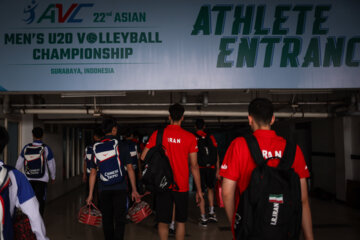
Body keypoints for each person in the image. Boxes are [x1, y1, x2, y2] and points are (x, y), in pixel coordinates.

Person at [220, 98, 314, 240]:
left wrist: (237, 226)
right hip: (284, 230)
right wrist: (309, 237)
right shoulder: (293, 150)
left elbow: (227, 193)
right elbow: (303, 199)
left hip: (251, 231)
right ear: (273, 119)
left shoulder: (239, 145)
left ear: (250, 119)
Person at [141, 103, 204, 240]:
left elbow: (143, 156)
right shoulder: (190, 137)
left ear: (169, 116)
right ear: (182, 118)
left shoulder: (158, 135)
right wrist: (199, 190)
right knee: (180, 222)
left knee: (163, 221)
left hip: (162, 184)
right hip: (181, 186)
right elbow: (194, 166)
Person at [86, 118, 140, 240]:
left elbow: (93, 173)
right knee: (120, 219)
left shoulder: (96, 147)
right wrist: (134, 189)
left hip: (103, 189)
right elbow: (130, 169)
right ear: (114, 129)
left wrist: (90, 194)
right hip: (120, 188)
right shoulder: (122, 145)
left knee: (107, 219)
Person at [0, 126, 49, 240]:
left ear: (33, 135)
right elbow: (33, 214)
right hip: (40, 180)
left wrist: (18, 170)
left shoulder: (27, 148)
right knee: (39, 202)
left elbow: (20, 161)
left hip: (28, 177)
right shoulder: (14, 175)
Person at [15, 127, 56, 216]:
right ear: (42, 135)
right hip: (42, 180)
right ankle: (39, 219)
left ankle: (29, 220)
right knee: (40, 200)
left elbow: (19, 163)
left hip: (28, 179)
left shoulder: (27, 147)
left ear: (33, 135)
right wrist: (53, 176)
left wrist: (16, 175)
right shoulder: (46, 148)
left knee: (29, 200)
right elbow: (51, 164)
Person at [194, 118, 220, 226]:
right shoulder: (211, 137)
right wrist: (218, 170)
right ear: (204, 126)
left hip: (200, 168)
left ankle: (203, 218)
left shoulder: (193, 138)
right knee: (210, 189)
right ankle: (212, 213)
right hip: (211, 167)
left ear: (195, 127)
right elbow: (216, 153)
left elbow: (192, 156)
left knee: (200, 192)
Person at [82, 127, 103, 203]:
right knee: (99, 193)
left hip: (90, 174)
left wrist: (84, 174)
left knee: (91, 193)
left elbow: (85, 162)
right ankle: (98, 209)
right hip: (100, 175)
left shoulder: (88, 148)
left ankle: (91, 208)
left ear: (94, 137)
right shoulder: (103, 147)